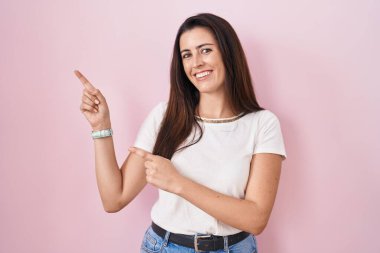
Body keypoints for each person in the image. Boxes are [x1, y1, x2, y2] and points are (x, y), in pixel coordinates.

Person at [76, 13, 286, 253]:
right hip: (164, 247)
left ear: (228, 53)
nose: (196, 63)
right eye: (187, 55)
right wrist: (100, 126)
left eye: (205, 50)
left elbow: (256, 219)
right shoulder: (166, 117)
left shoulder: (262, 124)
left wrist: (177, 182)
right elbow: (114, 199)